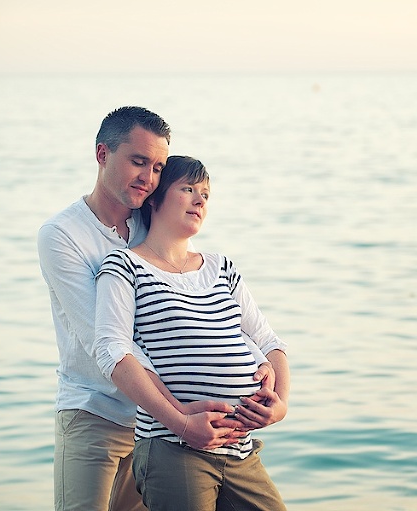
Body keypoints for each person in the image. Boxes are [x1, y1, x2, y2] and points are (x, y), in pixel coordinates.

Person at [37, 107, 279, 511]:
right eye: (137, 161)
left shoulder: (152, 222)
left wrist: (256, 361)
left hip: (157, 428)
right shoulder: (63, 235)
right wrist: (179, 417)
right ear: (102, 154)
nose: (148, 178)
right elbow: (113, 345)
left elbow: (193, 309)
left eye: (157, 167)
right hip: (96, 411)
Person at [94, 155, 290, 511]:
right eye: (187, 189)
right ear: (155, 197)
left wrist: (281, 404)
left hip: (240, 451)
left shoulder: (221, 267)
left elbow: (271, 343)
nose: (200, 200)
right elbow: (113, 354)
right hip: (173, 448)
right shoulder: (125, 267)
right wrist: (182, 424)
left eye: (205, 193)